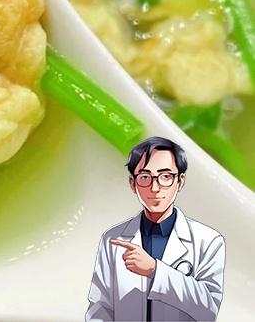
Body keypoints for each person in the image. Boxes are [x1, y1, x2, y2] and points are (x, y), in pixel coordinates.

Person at [86, 137, 225, 321]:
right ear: (133, 183)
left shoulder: (209, 241)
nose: (155, 187)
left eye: (165, 176)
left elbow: (209, 311)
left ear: (180, 181)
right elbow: (100, 307)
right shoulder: (113, 238)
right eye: (145, 177)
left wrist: (155, 270)